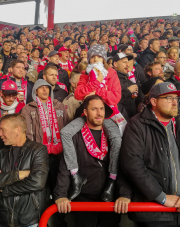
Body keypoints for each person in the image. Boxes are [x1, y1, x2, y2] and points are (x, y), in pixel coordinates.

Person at [120, 82, 180, 227]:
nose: (174, 102)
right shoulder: (137, 125)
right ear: (154, 101)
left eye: (176, 99)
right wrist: (161, 197)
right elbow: (132, 165)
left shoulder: (179, 125)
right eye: (169, 98)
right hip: (154, 214)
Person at [54, 95, 127, 227]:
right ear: (85, 112)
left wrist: (124, 193)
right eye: (94, 109)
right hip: (84, 198)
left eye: (102, 109)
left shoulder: (114, 136)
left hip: (110, 198)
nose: (99, 113)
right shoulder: (75, 136)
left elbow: (124, 165)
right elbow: (65, 165)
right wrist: (60, 195)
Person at [0, 113, 49, 227]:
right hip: (1, 221)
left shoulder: (38, 150)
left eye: (3, 130)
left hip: (29, 221)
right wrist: (18, 175)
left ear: (18, 130)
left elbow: (37, 182)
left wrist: (5, 189)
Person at [21, 79, 69, 227]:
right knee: (40, 188)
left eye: (47, 88)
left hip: (58, 154)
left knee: (59, 188)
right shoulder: (28, 109)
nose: (44, 90)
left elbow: (66, 128)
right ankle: (42, 221)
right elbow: (28, 135)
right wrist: (34, 153)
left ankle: (61, 221)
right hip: (39, 155)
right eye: (41, 88)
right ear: (35, 91)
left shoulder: (59, 106)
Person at [113, 52, 142, 119]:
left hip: (132, 120)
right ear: (115, 64)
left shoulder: (129, 80)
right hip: (120, 121)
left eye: (128, 62)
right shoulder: (112, 80)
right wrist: (128, 91)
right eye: (124, 62)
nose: (127, 65)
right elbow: (114, 101)